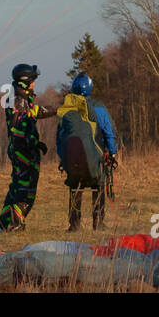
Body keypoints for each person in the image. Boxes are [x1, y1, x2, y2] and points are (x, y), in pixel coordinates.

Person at [0, 64, 55, 232]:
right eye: (33, 81)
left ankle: (3, 223)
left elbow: (35, 112)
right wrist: (33, 143)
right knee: (26, 189)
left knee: (16, 186)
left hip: (19, 149)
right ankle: (14, 224)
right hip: (24, 151)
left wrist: (57, 110)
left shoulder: (19, 97)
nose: (34, 84)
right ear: (25, 82)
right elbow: (20, 127)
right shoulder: (18, 100)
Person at [56, 73, 119, 232]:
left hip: (72, 159)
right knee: (99, 184)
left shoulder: (67, 109)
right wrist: (112, 153)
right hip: (95, 159)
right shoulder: (99, 108)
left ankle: (74, 225)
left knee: (75, 186)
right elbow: (109, 132)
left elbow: (60, 137)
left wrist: (63, 158)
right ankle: (98, 223)